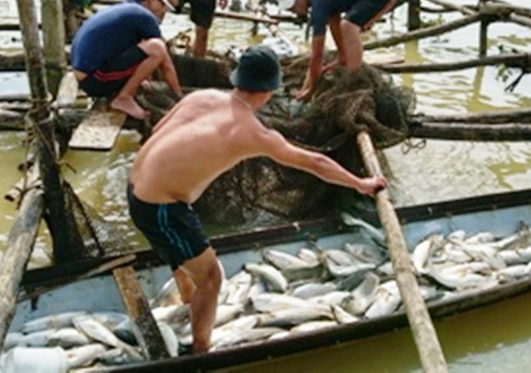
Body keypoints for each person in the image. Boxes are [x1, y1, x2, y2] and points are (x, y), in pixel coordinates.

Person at [128, 45, 387, 353]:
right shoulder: (252, 132)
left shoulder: (201, 97)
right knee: (212, 278)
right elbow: (314, 163)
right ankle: (200, 351)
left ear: (237, 79)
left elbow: (159, 130)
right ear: (270, 90)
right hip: (159, 207)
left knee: (182, 247)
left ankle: (187, 298)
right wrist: (360, 183)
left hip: (135, 186)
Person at [274, 0, 402, 100]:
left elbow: (317, 56)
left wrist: (310, 89)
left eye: (292, 7)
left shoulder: (319, 3)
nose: (294, 12)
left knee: (348, 26)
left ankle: (352, 81)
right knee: (335, 18)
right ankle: (345, 57)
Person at [70, 0, 183, 120]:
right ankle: (124, 97)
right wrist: (179, 97)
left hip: (85, 77)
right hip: (95, 80)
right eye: (162, 5)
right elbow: (166, 64)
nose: (162, 12)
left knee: (150, 47)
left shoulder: (126, 9)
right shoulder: (145, 17)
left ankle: (127, 91)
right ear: (153, 0)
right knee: (157, 47)